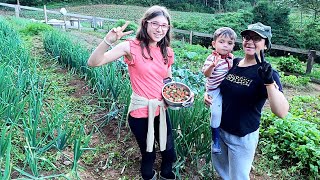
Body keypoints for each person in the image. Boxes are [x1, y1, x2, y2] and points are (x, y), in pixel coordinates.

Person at [87, 5, 178, 180]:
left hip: (161, 109)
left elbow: (167, 79)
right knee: (148, 154)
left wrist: (175, 96)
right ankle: (149, 176)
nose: (160, 29)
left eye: (164, 25)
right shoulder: (130, 47)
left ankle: (167, 175)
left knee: (169, 152)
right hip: (140, 112)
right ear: (145, 24)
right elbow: (94, 62)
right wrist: (108, 40)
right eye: (155, 24)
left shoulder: (167, 51)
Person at [204, 22, 289, 180]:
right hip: (221, 130)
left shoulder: (266, 72)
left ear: (265, 45)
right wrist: (207, 93)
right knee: (223, 171)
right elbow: (216, 81)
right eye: (247, 37)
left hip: (242, 137)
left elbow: (282, 112)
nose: (250, 41)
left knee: (238, 177)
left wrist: (269, 82)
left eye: (256, 38)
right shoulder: (233, 62)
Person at [202, 27, 237, 154]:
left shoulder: (231, 58)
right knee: (216, 113)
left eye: (229, 43)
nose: (225, 46)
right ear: (214, 44)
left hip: (226, 89)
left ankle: (225, 137)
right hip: (214, 89)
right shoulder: (212, 58)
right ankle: (215, 140)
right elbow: (206, 74)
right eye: (221, 42)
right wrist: (213, 65)